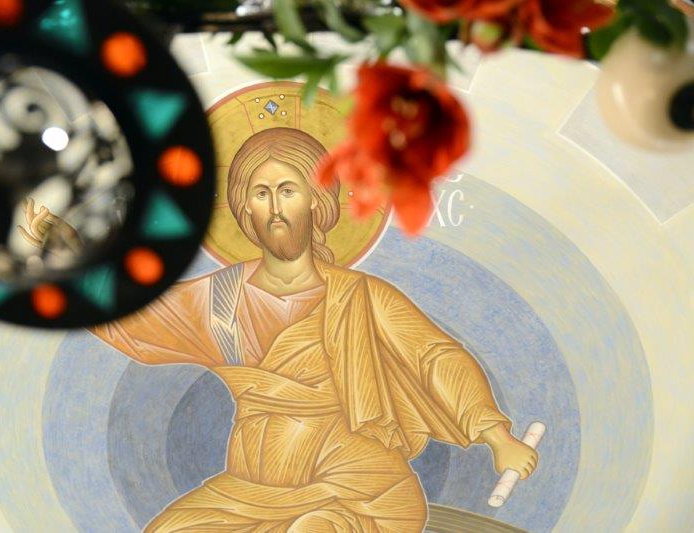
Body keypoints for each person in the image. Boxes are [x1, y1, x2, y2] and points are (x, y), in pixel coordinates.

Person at [90, 127, 538, 532]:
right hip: (252, 493)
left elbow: (435, 358)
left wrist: (497, 437)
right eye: (260, 193)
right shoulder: (218, 299)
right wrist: (66, 256)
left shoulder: (360, 297)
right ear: (245, 207)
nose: (274, 207)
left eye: (287, 190)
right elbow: (133, 313)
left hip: (359, 491)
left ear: (315, 200)